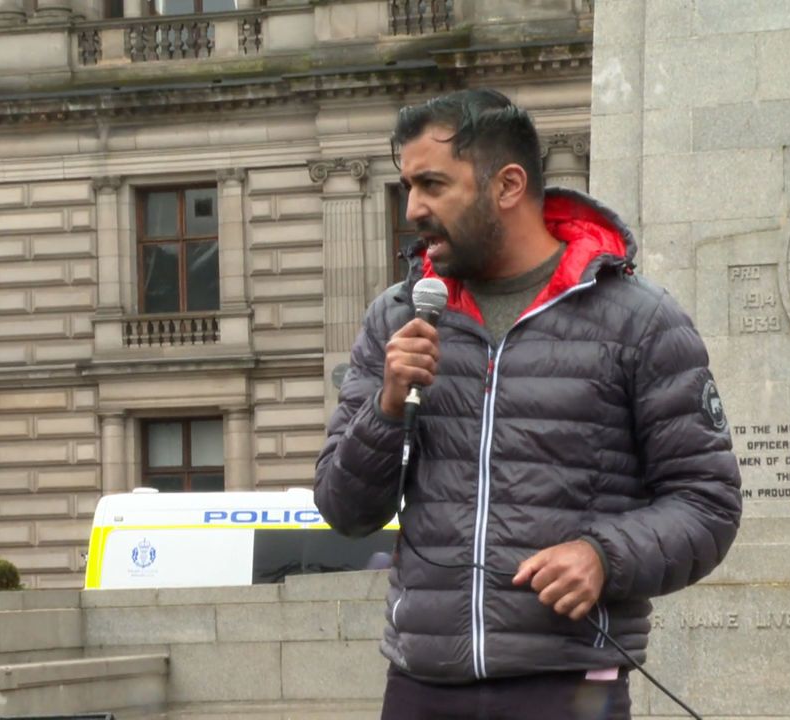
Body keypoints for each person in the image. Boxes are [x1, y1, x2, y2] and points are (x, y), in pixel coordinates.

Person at [314, 89, 742, 719]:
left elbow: (707, 504)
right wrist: (384, 409)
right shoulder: (397, 318)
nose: (413, 209)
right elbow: (343, 510)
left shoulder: (639, 321)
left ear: (508, 184)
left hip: (569, 687)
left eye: (433, 184)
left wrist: (604, 555)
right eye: (407, 186)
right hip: (421, 686)